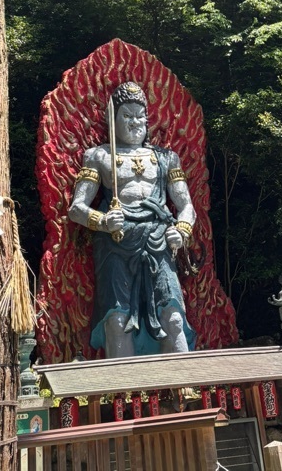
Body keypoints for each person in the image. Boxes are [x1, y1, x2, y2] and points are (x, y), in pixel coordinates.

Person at [68, 80, 196, 357]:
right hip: (116, 240)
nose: (134, 122)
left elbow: (186, 205)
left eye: (140, 116)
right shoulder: (98, 156)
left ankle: (183, 381)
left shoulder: (166, 158)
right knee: (117, 320)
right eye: (126, 116)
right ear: (112, 120)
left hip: (159, 239)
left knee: (173, 317)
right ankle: (124, 385)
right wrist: (103, 221)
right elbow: (77, 208)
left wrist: (182, 230)